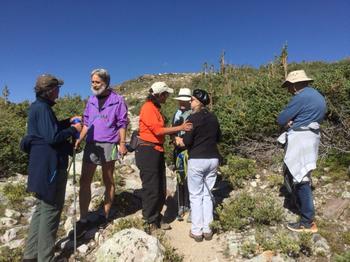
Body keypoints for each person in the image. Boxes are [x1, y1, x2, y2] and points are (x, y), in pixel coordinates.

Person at [21, 74, 82, 262]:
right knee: (51, 211)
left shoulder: (38, 108)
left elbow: (49, 130)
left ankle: (30, 255)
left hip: (40, 167)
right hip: (51, 169)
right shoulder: (44, 109)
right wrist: (74, 130)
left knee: (41, 209)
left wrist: (67, 121)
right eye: (57, 88)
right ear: (50, 90)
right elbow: (52, 137)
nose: (59, 92)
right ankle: (45, 258)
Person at [74, 68, 128, 238]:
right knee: (84, 181)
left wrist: (122, 143)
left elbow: (122, 123)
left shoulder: (118, 100)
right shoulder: (91, 100)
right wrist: (79, 139)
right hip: (91, 144)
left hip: (109, 144)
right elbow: (87, 123)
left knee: (108, 179)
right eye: (92, 82)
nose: (94, 85)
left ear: (106, 83)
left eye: (97, 82)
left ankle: (104, 214)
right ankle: (83, 220)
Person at [135, 82, 192, 234]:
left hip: (156, 150)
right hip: (147, 151)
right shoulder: (148, 108)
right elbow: (158, 130)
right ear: (159, 95)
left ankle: (156, 217)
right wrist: (180, 128)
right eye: (166, 94)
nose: (167, 97)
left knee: (160, 186)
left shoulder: (155, 108)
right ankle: (150, 221)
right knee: (151, 187)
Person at [277, 70, 327, 233]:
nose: (289, 90)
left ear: (295, 84)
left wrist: (289, 122)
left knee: (300, 177)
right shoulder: (318, 96)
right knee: (302, 174)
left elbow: (281, 118)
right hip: (311, 137)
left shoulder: (301, 97)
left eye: (289, 86)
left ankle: (307, 221)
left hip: (300, 138)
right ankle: (302, 210)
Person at [176, 89, 221, 242]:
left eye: (193, 99)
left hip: (197, 159)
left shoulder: (192, 118)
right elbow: (218, 138)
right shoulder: (213, 117)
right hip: (213, 158)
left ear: (199, 102)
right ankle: (208, 229)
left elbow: (187, 142)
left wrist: (179, 141)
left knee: (195, 195)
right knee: (208, 194)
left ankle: (197, 231)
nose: (190, 101)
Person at [171, 88, 192, 221]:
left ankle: (190, 206)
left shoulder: (193, 114)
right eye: (180, 100)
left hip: (189, 149)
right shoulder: (176, 114)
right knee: (180, 176)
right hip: (178, 149)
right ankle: (181, 205)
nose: (182, 103)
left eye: (185, 100)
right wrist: (174, 139)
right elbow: (172, 130)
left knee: (190, 177)